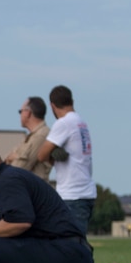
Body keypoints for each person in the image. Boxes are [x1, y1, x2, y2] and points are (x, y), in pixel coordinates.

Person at [36, 85, 96, 235]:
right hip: (85, 192)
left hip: (72, 194)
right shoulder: (81, 122)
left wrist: (53, 156)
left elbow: (41, 154)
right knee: (76, 242)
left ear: (52, 106)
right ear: (72, 101)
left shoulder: (63, 123)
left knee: (72, 244)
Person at [3, 96, 53, 180]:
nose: (20, 115)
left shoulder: (41, 135)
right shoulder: (32, 136)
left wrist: (15, 157)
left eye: (20, 111)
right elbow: (6, 160)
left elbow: (19, 168)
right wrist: (15, 157)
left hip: (35, 191)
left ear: (27, 113)